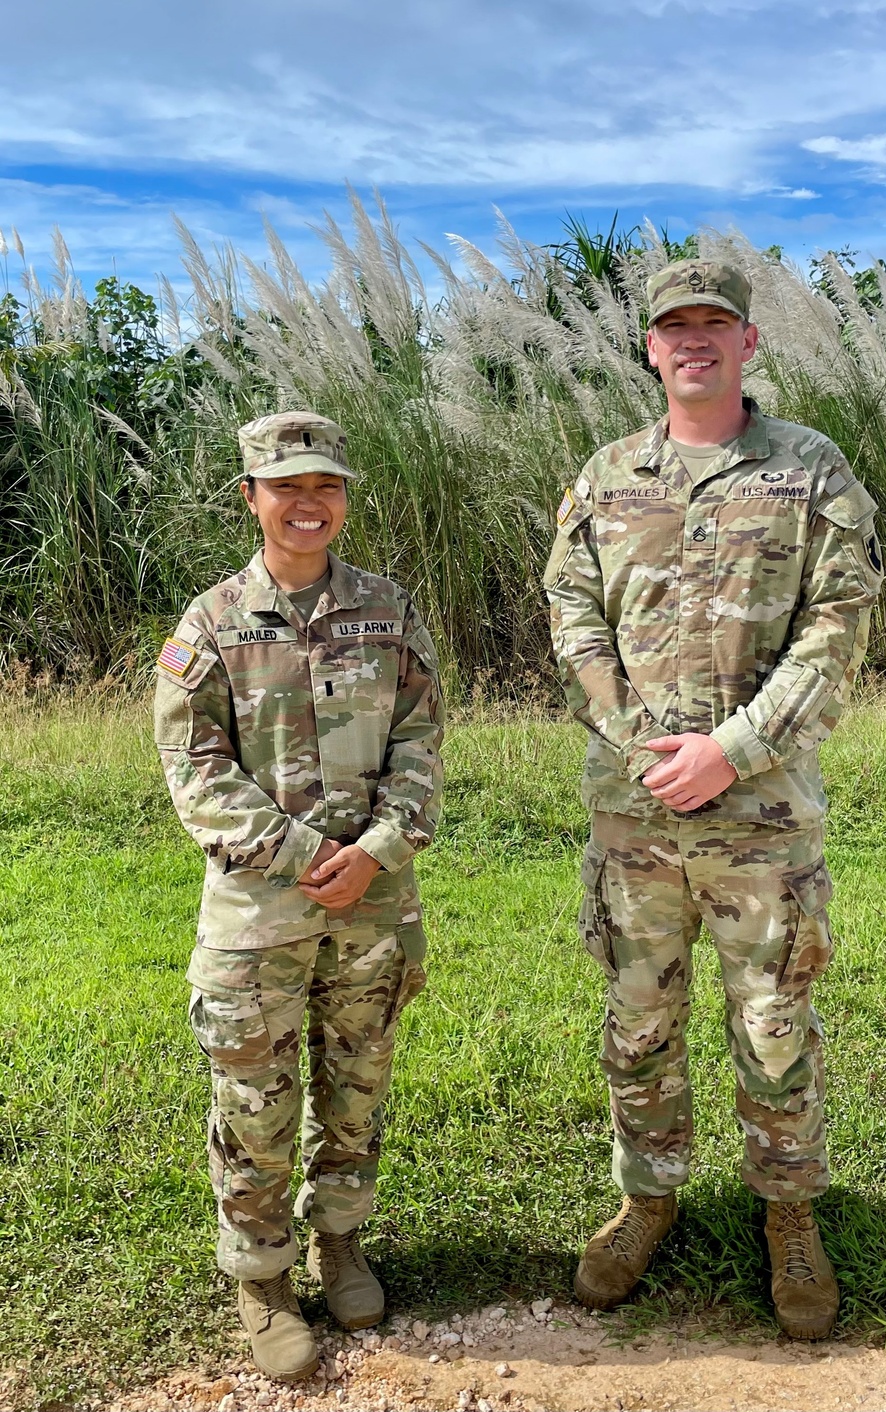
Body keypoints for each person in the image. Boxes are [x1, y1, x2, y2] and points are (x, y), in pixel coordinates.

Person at [544, 259, 883, 1339]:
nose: (693, 339)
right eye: (672, 326)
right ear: (649, 348)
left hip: (760, 816)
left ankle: (787, 1211)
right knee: (638, 1019)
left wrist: (732, 749)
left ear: (747, 343)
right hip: (634, 811)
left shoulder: (808, 471)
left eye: (714, 324)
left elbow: (838, 627)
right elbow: (571, 613)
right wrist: (640, 740)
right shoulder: (605, 477)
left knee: (773, 1020)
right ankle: (646, 1199)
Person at [154, 411, 444, 1382]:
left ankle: (341, 1240)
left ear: (343, 498)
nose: (307, 503)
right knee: (255, 1096)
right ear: (251, 497)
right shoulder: (210, 623)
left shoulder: (387, 609)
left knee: (355, 1086)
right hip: (258, 914)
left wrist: (378, 848)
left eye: (324, 485)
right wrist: (304, 850)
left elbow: (419, 740)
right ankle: (262, 1275)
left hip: (371, 902)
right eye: (286, 486)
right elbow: (194, 769)